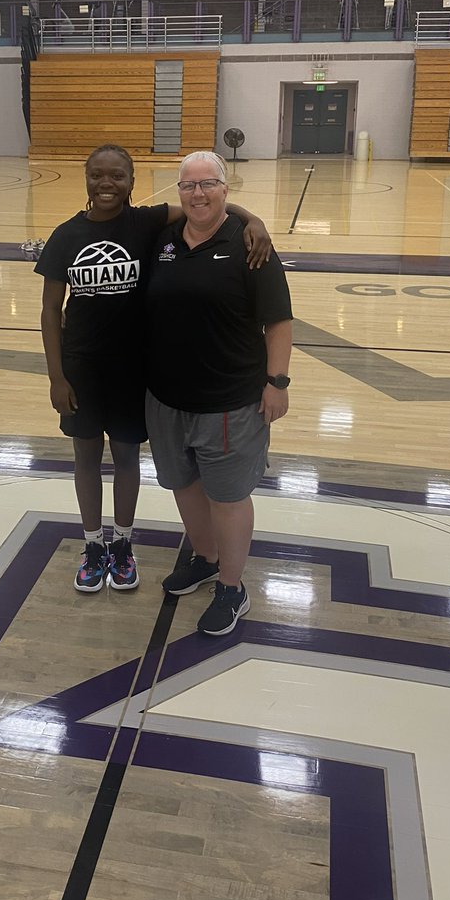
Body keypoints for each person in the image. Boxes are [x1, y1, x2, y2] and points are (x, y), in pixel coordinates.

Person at [35, 144, 272, 595]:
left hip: (133, 370)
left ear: (132, 182)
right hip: (81, 371)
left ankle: (122, 545)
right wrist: (56, 376)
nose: (107, 184)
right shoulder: (65, 235)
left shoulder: (144, 222)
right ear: (85, 179)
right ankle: (92, 546)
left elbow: (205, 201)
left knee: (126, 459)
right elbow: (50, 311)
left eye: (117, 176)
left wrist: (252, 220)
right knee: (85, 458)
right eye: (97, 175)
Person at [144, 150, 293, 635]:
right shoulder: (163, 240)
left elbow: (279, 321)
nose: (198, 194)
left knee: (228, 497)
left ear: (226, 190)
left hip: (230, 402)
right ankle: (205, 558)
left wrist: (277, 383)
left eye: (208, 184)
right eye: (188, 185)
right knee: (183, 484)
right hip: (166, 400)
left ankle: (232, 585)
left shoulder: (250, 245)